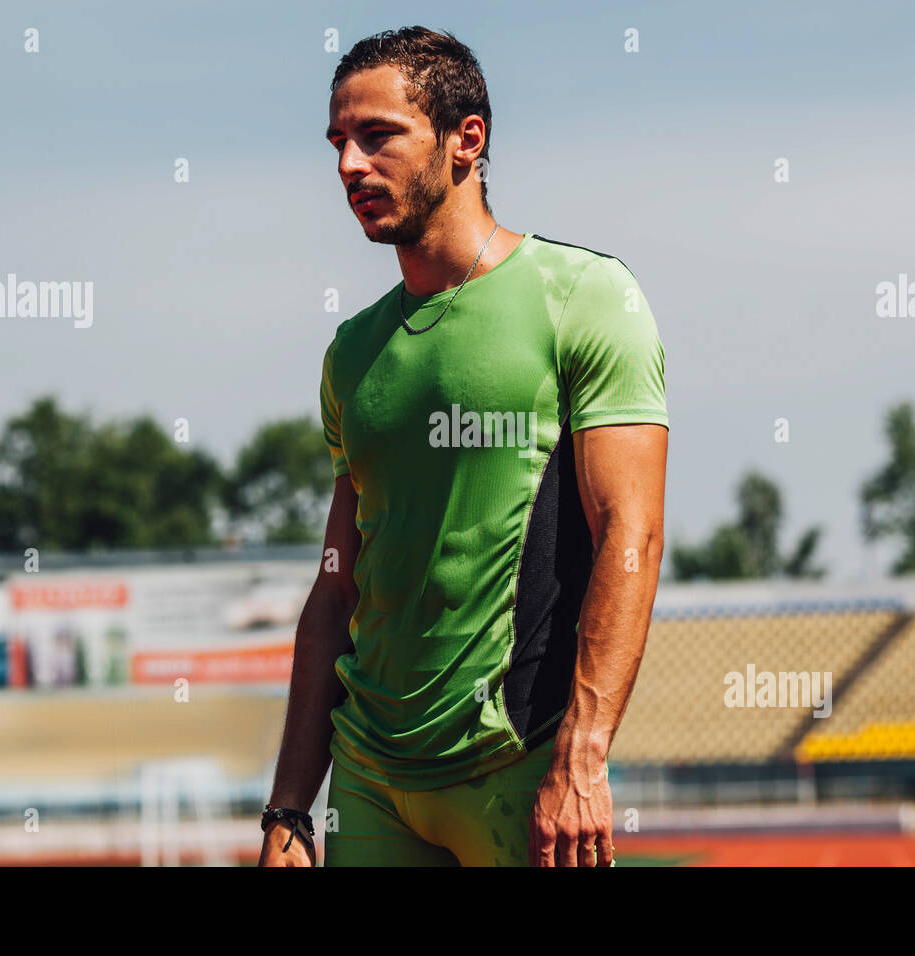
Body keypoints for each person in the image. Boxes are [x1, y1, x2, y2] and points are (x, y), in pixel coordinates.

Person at [259, 25, 668, 868]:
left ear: (464, 141)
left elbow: (632, 535)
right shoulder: (352, 354)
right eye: (339, 143)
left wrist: (584, 757)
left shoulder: (585, 298)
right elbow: (335, 594)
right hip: (371, 778)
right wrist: (291, 808)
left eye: (377, 136)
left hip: (516, 769)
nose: (348, 166)